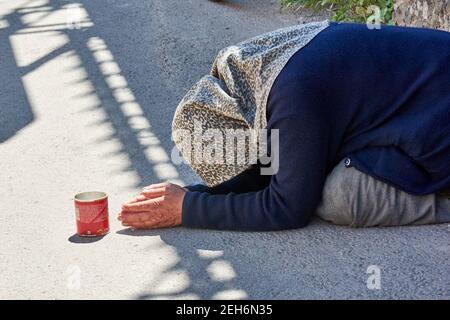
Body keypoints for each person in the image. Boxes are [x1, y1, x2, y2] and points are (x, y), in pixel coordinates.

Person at [118, 21, 450, 231]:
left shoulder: (294, 102)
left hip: (438, 128)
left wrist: (187, 210)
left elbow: (287, 208)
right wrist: (194, 194)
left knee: (338, 196)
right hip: (425, 100)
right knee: (312, 168)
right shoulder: (263, 66)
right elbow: (269, 165)